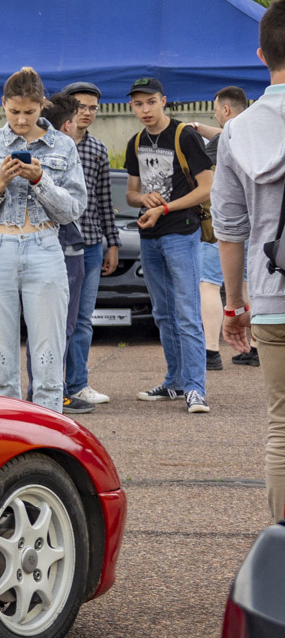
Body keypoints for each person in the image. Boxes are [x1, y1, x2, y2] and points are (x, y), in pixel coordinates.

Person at [0, 67, 86, 411]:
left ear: (42, 106)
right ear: (3, 105)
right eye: (14, 111)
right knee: (1, 368)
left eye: (29, 112)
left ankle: (50, 444)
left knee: (48, 364)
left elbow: (73, 210)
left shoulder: (63, 146)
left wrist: (41, 180)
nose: (20, 119)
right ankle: (10, 444)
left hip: (44, 246)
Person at [211, 0, 285, 519]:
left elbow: (230, 231)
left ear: (262, 55)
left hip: (272, 293)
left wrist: (235, 304)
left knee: (282, 427)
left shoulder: (237, 131)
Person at [125, 75, 215, 413]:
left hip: (181, 230)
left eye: (150, 101)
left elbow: (207, 187)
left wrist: (165, 207)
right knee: (163, 313)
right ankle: (174, 382)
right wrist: (142, 199)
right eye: (138, 103)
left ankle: (196, 388)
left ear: (164, 100)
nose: (145, 109)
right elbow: (132, 194)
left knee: (187, 313)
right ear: (131, 106)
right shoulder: (135, 142)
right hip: (149, 237)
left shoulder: (183, 135)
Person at [57, 81, 119, 405]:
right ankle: (53, 388)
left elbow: (106, 200)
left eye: (93, 107)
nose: (87, 113)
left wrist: (113, 242)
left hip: (92, 242)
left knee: (82, 318)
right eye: (81, 106)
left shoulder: (98, 149)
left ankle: (78, 383)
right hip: (56, 244)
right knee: (56, 319)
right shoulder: (50, 145)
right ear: (68, 107)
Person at [190, 86, 253, 368]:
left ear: (225, 110)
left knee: (209, 284)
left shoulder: (220, 144)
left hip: (223, 224)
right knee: (250, 283)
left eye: (216, 110)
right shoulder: (256, 133)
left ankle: (210, 350)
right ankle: (254, 346)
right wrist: (202, 128)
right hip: (259, 223)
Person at [40, 94, 93, 413]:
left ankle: (49, 391)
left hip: (64, 246)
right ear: (66, 125)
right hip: (62, 248)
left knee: (57, 326)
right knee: (60, 326)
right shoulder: (60, 152)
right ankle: (50, 394)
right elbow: (72, 206)